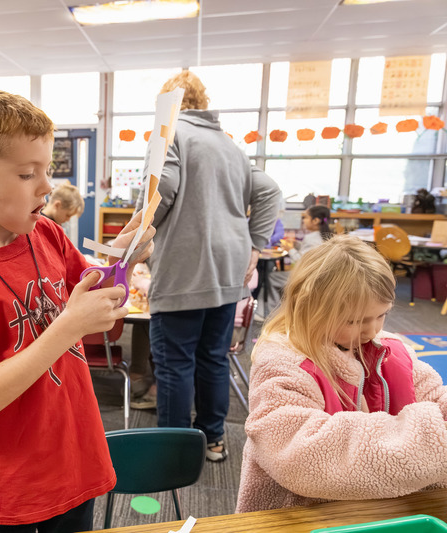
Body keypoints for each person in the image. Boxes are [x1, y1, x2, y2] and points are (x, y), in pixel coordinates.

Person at [0, 88, 154, 533]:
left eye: (46, 170)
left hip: (74, 456)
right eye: (28, 174)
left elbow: (98, 295)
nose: (46, 186)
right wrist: (67, 327)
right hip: (12, 484)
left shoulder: (46, 233)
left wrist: (123, 260)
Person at [237, 235, 447, 512]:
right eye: (354, 321)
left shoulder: (393, 352)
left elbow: (435, 398)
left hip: (382, 511)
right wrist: (429, 438)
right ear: (310, 307)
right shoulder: (283, 363)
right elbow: (298, 455)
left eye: (381, 315)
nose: (372, 331)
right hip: (300, 515)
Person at [134, 70, 281, 462]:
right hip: (229, 268)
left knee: (175, 362)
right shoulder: (229, 146)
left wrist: (136, 238)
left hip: (186, 265)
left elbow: (160, 190)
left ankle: (175, 451)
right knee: (213, 357)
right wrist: (254, 245)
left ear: (166, 102)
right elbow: (269, 191)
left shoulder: (169, 131)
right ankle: (213, 441)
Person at [257, 204, 333, 319]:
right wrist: (296, 244)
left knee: (271, 277)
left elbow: (301, 261)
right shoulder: (321, 236)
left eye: (306, 217)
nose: (303, 220)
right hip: (312, 274)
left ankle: (270, 313)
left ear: (316, 220)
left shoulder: (313, 239)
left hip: (306, 275)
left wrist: (290, 249)